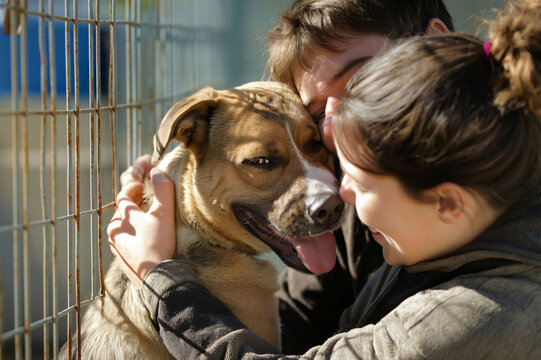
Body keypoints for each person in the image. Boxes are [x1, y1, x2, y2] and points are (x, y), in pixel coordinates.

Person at [108, 0, 455, 354]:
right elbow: (301, 320)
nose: (333, 128)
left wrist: (160, 280)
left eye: (359, 81)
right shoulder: (353, 202)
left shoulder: (483, 296)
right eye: (318, 112)